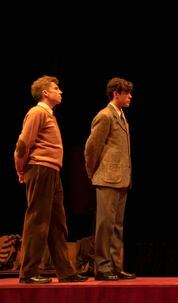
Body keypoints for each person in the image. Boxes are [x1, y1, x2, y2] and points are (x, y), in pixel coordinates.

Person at [14, 75, 88, 283]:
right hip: (40, 168)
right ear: (45, 93)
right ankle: (28, 272)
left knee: (58, 223)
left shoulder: (49, 114)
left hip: (51, 170)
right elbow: (22, 144)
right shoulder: (37, 112)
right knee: (37, 220)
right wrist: (21, 170)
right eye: (56, 88)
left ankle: (65, 271)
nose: (60, 91)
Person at [84, 77, 136, 281]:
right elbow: (91, 147)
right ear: (116, 93)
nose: (130, 96)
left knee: (117, 226)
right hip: (107, 178)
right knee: (104, 225)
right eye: (127, 93)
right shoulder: (105, 116)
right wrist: (93, 173)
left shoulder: (121, 116)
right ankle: (102, 266)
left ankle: (115, 266)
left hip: (122, 178)